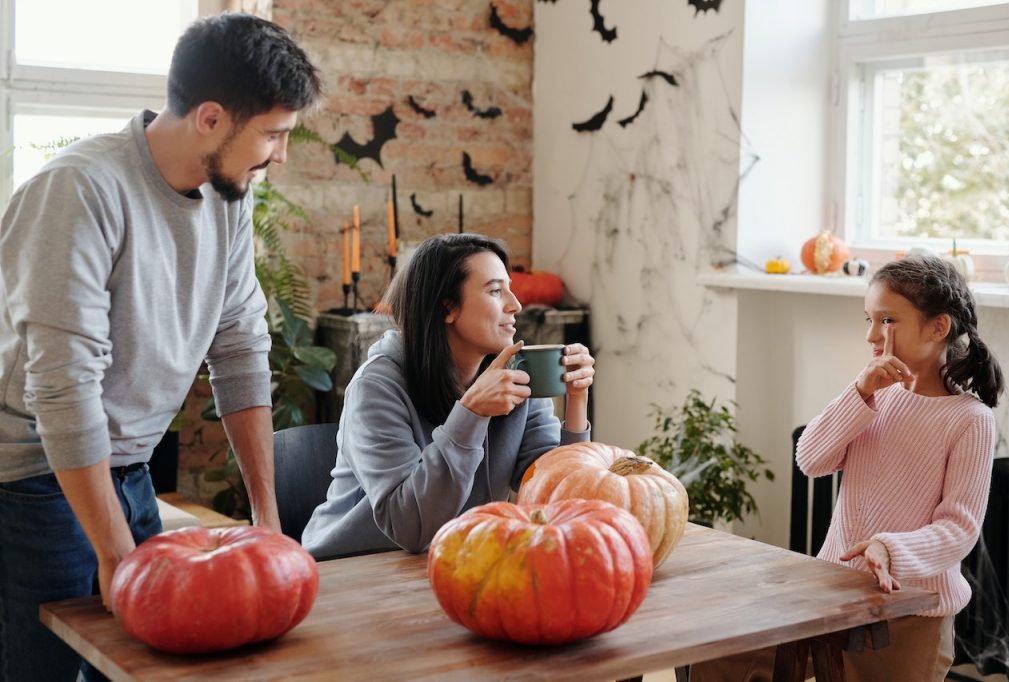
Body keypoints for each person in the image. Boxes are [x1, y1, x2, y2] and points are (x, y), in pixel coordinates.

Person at [0, 13, 321, 681]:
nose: (279, 157)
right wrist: (116, 552)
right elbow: (63, 388)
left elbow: (239, 346)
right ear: (209, 119)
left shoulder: (228, 198)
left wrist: (266, 515)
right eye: (272, 135)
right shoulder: (81, 191)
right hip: (33, 477)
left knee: (145, 672)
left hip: (129, 466)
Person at [692, 254, 1002, 682]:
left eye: (888, 320)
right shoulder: (873, 395)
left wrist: (889, 549)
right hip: (833, 591)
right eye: (869, 319)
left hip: (911, 613)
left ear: (938, 327)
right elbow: (811, 459)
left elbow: (958, 529)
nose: (873, 334)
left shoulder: (970, 420)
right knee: (720, 653)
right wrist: (860, 393)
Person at [303, 233, 596, 558]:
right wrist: (470, 414)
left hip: (457, 558)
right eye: (496, 291)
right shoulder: (376, 386)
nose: (516, 304)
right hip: (356, 568)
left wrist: (576, 399)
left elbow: (556, 500)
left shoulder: (516, 372)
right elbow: (410, 527)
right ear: (446, 307)